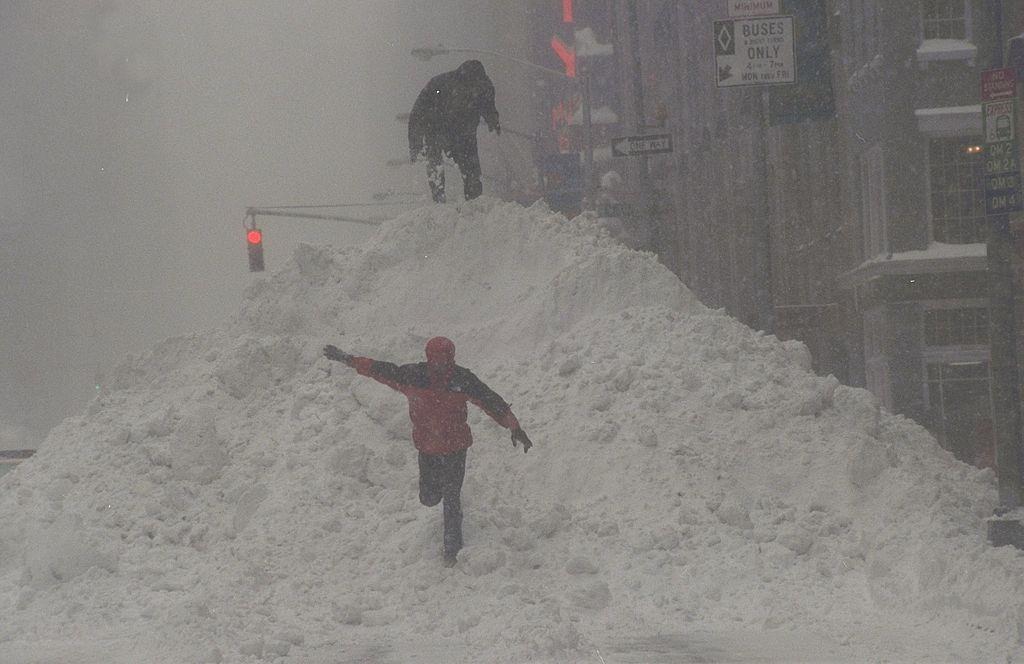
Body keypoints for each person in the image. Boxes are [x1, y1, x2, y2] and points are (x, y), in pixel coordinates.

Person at [323, 336, 532, 566]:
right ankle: (441, 499)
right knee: (429, 498)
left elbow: (492, 401)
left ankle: (452, 553)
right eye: (437, 361)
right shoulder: (413, 376)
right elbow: (379, 369)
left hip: (456, 449)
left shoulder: (462, 379)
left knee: (451, 500)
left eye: (445, 361)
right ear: (429, 358)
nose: (441, 366)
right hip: (428, 450)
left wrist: (514, 426)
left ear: (452, 359)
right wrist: (348, 359)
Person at [408, 59, 501, 203]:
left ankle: (474, 202)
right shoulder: (439, 85)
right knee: (435, 163)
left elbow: (488, 105)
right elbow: (418, 112)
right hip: (436, 129)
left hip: (464, 134)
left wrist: (492, 119)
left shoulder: (484, 86)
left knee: (471, 171)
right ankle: (439, 199)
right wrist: (415, 142)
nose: (472, 89)